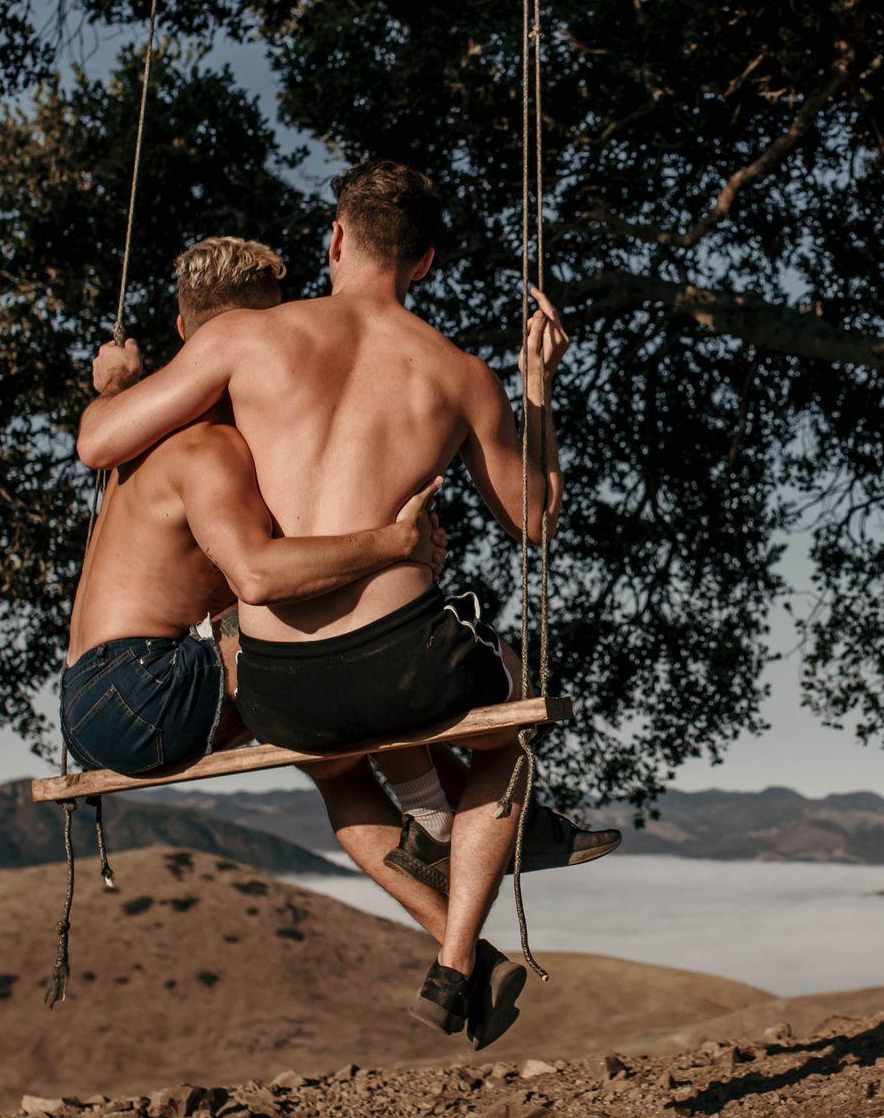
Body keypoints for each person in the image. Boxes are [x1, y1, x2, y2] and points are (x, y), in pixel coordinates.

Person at [77, 161, 617, 1047]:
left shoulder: (245, 339)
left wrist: (113, 381)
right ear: (426, 263)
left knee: (339, 767)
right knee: (510, 704)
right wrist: (538, 389)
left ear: (334, 239)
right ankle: (452, 960)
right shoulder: (462, 374)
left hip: (281, 686)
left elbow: (100, 443)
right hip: (409, 666)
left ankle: (443, 872)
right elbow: (535, 518)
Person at [62, 236, 444, 777]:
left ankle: (432, 835)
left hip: (89, 695)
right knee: (320, 624)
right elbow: (259, 576)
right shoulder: (211, 447)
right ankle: (434, 809)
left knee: (332, 755)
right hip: (139, 690)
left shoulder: (145, 431)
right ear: (268, 332)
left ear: (180, 329)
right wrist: (395, 544)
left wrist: (116, 388)